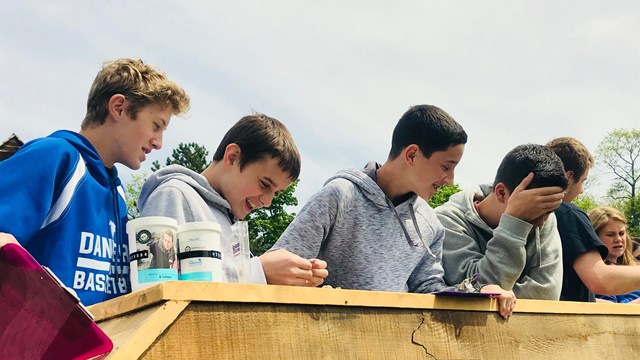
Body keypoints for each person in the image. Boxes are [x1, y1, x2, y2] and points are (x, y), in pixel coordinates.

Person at [270, 105, 516, 319]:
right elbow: (278, 265)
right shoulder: (340, 195)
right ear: (411, 154)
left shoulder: (431, 225)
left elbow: (429, 292)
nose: (450, 180)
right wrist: (316, 296)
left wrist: (478, 290)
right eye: (446, 166)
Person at [0, 58, 190, 306]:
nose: (159, 143)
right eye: (156, 126)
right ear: (119, 107)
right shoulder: (55, 157)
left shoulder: (117, 192)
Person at [138, 114, 328, 286]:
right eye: (264, 184)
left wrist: (287, 280)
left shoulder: (231, 220)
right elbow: (157, 288)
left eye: (276, 193)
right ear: (233, 156)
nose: (268, 202)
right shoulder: (174, 194)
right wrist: (258, 271)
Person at [436, 144, 568, 300]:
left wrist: (506, 298)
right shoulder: (447, 220)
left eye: (549, 212)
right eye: (533, 212)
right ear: (501, 193)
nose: (541, 222)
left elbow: (547, 293)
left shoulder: (544, 217)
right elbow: (477, 292)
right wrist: (514, 224)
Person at [547, 137, 640, 301]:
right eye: (583, 181)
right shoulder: (568, 213)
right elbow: (600, 279)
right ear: (568, 177)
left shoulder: (525, 212)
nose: (582, 190)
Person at [588, 207, 640, 303]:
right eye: (610, 234)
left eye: (621, 233)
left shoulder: (634, 267)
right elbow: (612, 309)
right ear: (595, 236)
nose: (618, 239)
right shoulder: (592, 273)